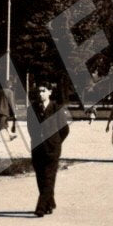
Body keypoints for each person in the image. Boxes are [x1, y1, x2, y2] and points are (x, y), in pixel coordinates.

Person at [27, 83, 70, 217]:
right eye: (39, 91)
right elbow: (31, 128)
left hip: (52, 149)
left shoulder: (57, 109)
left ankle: (40, 207)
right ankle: (49, 202)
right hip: (37, 147)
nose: (40, 94)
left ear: (50, 92)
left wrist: (55, 142)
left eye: (43, 91)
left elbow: (64, 130)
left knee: (49, 177)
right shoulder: (32, 109)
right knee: (40, 177)